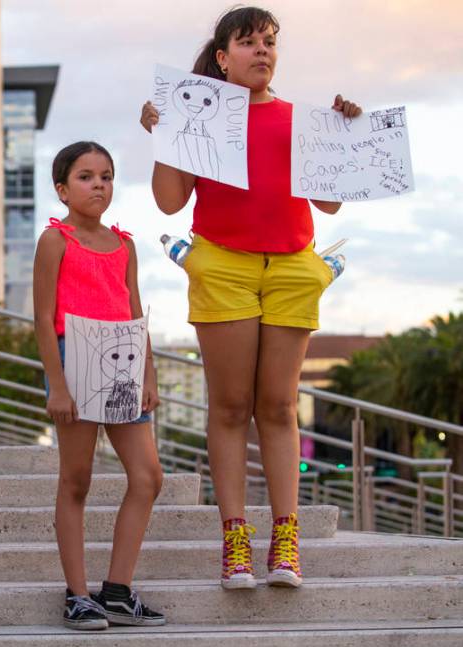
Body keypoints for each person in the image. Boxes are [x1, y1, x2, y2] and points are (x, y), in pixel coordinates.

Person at [140, 6, 362, 590]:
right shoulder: (202, 117)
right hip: (224, 266)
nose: (261, 50)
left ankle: (285, 540)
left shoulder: (300, 119)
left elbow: (332, 206)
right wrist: (166, 132)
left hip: (292, 267)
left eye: (269, 42)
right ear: (222, 57)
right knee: (231, 406)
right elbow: (167, 202)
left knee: (281, 407)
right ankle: (235, 539)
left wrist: (344, 134)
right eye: (247, 42)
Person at [33, 141, 165, 630]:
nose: (98, 185)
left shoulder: (125, 244)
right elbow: (44, 319)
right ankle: (77, 594)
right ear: (63, 190)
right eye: (86, 177)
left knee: (148, 475)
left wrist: (148, 372)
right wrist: (58, 385)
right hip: (76, 357)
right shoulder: (55, 241)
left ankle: (117, 591)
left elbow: (134, 309)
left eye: (106, 176)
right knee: (77, 478)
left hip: (123, 357)